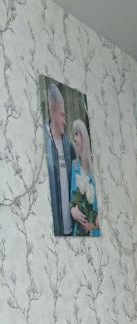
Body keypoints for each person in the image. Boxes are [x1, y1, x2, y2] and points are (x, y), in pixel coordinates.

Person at [44, 82, 76, 235]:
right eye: (62, 115)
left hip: (71, 229)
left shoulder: (69, 146)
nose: (65, 121)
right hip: (54, 232)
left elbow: (76, 183)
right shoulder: (44, 143)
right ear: (53, 111)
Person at [69, 119, 99, 236]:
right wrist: (72, 211)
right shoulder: (74, 166)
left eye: (76, 134)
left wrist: (95, 224)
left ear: (84, 137)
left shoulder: (95, 165)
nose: (74, 139)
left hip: (95, 231)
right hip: (80, 232)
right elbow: (72, 198)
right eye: (74, 135)